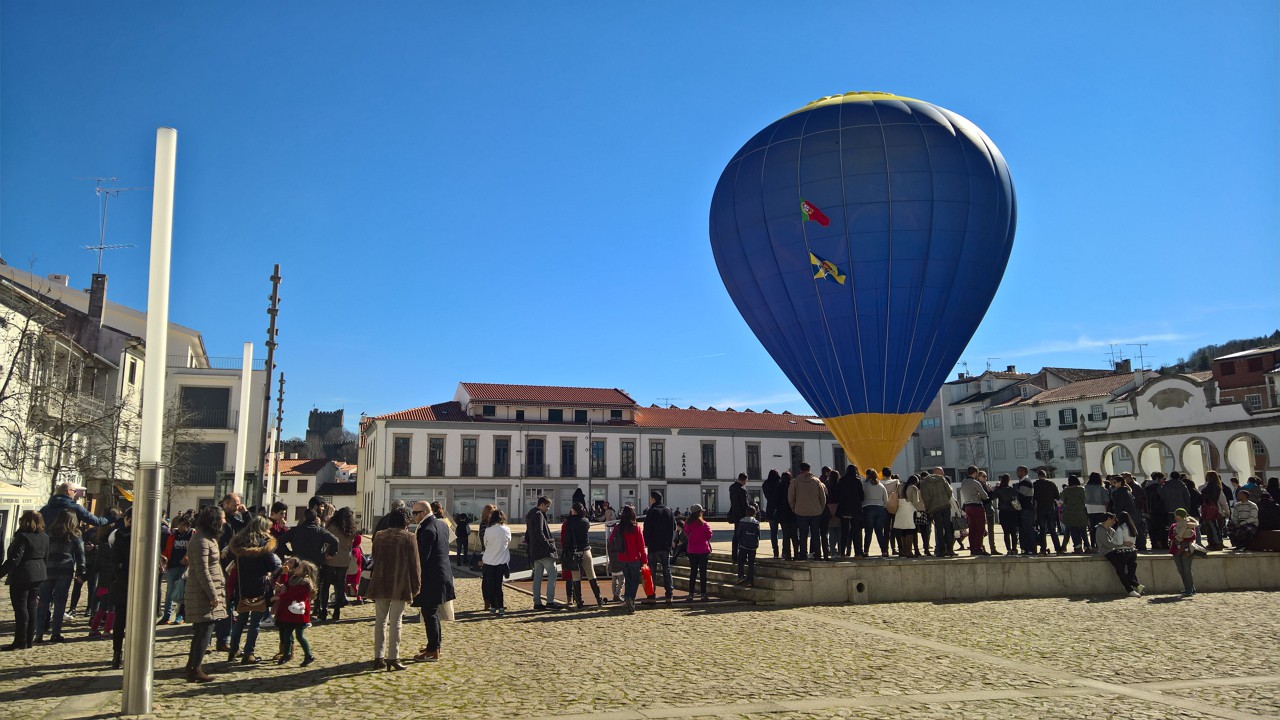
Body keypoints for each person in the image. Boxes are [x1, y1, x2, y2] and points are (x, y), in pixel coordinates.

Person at [369, 507, 420, 671]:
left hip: (381, 581)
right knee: (396, 621)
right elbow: (415, 564)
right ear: (406, 521)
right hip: (399, 582)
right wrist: (416, 586)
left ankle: (378, 657)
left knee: (380, 621)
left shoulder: (379, 536)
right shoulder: (409, 537)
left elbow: (375, 558)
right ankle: (393, 656)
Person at [227, 516, 280, 665]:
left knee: (241, 620)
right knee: (255, 623)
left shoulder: (239, 543)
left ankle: (233, 649)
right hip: (259, 586)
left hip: (241, 585)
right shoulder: (264, 546)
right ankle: (248, 653)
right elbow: (271, 566)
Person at [185, 506, 228, 682]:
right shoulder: (201, 540)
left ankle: (193, 666)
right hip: (202, 594)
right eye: (223, 518)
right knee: (204, 630)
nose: (224, 521)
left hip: (207, 592)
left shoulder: (208, 539)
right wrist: (212, 595)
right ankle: (195, 668)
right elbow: (202, 571)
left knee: (203, 630)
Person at [411, 500, 454, 662]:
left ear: (423, 513)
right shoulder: (441, 524)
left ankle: (432, 651)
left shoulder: (427, 529)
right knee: (433, 613)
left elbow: (422, 558)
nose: (413, 516)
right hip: (442, 575)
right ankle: (435, 645)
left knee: (429, 613)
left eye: (415, 513)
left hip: (431, 578)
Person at [1, 510, 49, 651]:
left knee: (21, 607)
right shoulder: (44, 537)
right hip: (39, 573)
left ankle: (20, 640)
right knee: (31, 606)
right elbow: (46, 557)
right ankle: (28, 640)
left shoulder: (22, 537)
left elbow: (14, 559)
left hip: (23, 574)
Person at [34, 510, 83, 644]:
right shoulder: (74, 535)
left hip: (48, 569)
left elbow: (42, 552)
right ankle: (55, 633)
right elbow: (80, 555)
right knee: (60, 603)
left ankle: (38, 633)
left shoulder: (48, 533)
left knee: (43, 602)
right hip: (64, 570)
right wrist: (81, 572)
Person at [274, 557, 318, 666]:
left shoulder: (304, 583)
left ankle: (308, 655)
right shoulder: (293, 578)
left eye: (299, 567)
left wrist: (279, 597)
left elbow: (292, 594)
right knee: (287, 634)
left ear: (305, 571)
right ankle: (286, 654)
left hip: (299, 613)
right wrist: (283, 579)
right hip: (290, 612)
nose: (296, 568)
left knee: (299, 635)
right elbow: (287, 585)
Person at [318, 507, 356, 623]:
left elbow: (325, 540)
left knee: (326, 585)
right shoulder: (351, 529)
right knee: (340, 586)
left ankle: (323, 610)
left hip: (331, 558)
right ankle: (337, 611)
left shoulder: (332, 527)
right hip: (344, 560)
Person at [566, 502, 607, 608]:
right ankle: (599, 599)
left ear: (574, 510)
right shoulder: (586, 521)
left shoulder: (569, 522)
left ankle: (579, 601)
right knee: (591, 575)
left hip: (574, 552)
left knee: (576, 577)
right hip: (585, 550)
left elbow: (567, 539)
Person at [608, 505, 648, 612]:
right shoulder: (636, 528)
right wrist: (644, 560)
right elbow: (641, 546)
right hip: (634, 558)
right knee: (635, 580)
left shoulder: (618, 527)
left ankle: (627, 597)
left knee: (628, 578)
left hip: (622, 557)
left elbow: (611, 540)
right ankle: (630, 598)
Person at [524, 496, 561, 610]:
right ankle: (550, 601)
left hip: (535, 551)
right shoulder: (539, 514)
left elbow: (528, 535)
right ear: (542, 505)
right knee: (553, 574)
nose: (548, 509)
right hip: (544, 551)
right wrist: (549, 546)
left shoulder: (530, 515)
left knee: (538, 577)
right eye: (547, 506)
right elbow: (540, 532)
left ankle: (537, 602)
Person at [1095, 513, 1143, 597]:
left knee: (1128, 566)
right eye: (1113, 519)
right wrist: (1124, 544)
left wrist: (1126, 544)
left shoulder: (1111, 529)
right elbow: (1108, 544)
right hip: (1107, 552)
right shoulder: (1100, 530)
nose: (1115, 521)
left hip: (1114, 551)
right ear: (1108, 519)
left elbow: (1116, 541)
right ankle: (1131, 589)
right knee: (1120, 569)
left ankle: (1136, 586)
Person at [108, 508, 133, 669]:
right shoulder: (147, 534)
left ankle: (117, 654)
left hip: (121, 580)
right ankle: (134, 653)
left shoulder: (118, 535)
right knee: (138, 622)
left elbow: (113, 559)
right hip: (139, 582)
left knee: (120, 620)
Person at [642, 490, 676, 604]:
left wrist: (646, 542)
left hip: (653, 546)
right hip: (665, 546)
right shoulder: (668, 510)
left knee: (652, 571)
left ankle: (652, 594)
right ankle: (669, 594)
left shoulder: (652, 512)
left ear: (653, 499)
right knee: (667, 570)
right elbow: (674, 527)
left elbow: (647, 529)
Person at [788, 463, 826, 561]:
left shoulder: (795, 482)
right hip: (816, 512)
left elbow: (791, 497)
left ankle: (803, 554)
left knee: (803, 534)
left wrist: (794, 508)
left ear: (800, 469)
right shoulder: (817, 481)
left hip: (800, 512)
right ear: (810, 469)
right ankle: (817, 554)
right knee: (815, 534)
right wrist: (820, 509)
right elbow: (823, 497)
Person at [159, 513, 192, 625]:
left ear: (188, 525)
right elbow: (168, 549)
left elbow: (193, 550)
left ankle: (179, 615)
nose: (181, 527)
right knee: (169, 592)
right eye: (180, 524)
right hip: (172, 566)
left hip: (185, 567)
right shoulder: (173, 535)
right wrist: (165, 560)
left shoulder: (192, 535)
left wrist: (186, 558)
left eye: (183, 525)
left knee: (182, 592)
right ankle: (166, 615)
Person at [39, 481, 110, 530]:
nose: (75, 493)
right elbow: (97, 521)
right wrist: (113, 518)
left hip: (48, 544)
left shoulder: (45, 509)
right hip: (68, 544)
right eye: (74, 491)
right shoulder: (75, 508)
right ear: (69, 491)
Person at [481, 509, 511, 615]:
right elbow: (508, 542)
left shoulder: (488, 530)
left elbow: (485, 543)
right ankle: (501, 606)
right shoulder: (506, 530)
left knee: (490, 585)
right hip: (502, 560)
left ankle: (493, 606)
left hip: (489, 560)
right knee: (499, 585)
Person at [920, 467, 955, 558]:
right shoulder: (942, 479)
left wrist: (928, 508)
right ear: (938, 473)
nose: (943, 474)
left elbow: (925, 497)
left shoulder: (924, 483)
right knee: (947, 528)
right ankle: (950, 550)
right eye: (942, 473)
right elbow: (949, 491)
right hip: (945, 505)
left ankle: (941, 551)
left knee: (939, 529)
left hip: (934, 508)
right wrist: (945, 499)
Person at [958, 466, 990, 556]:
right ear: (975, 473)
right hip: (977, 507)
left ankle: (972, 549)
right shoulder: (975, 483)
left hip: (968, 507)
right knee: (980, 529)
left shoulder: (963, 483)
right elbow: (985, 496)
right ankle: (978, 548)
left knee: (972, 529)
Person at [683, 504, 712, 601]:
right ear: (699, 512)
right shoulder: (704, 523)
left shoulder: (687, 523)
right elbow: (709, 535)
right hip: (703, 550)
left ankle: (691, 594)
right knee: (703, 573)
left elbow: (686, 533)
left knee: (693, 572)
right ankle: (703, 594)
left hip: (692, 550)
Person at [1169, 508, 1200, 596]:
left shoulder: (1190, 525)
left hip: (1187, 549)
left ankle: (1189, 588)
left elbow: (1192, 537)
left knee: (1187, 570)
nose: (1175, 517)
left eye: (1176, 514)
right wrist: (1177, 537)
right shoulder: (1174, 526)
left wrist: (1182, 538)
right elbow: (1170, 536)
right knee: (1181, 570)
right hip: (1176, 549)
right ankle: (1188, 587)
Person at [836, 465, 864, 559]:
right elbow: (862, 496)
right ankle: (857, 554)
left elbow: (838, 494)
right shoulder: (857, 481)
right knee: (856, 532)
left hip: (844, 509)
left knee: (844, 532)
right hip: (855, 510)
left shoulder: (842, 480)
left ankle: (842, 553)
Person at [1109, 476, 1143, 553]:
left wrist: (1117, 515)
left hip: (1123, 514)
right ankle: (1139, 545)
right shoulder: (1128, 491)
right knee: (1132, 528)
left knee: (1122, 530)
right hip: (1131, 513)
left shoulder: (1118, 493)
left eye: (1115, 482)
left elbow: (1118, 505)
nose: (1113, 484)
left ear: (1120, 482)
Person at [1033, 470, 1064, 555]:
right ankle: (1058, 549)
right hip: (1050, 508)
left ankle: (1043, 549)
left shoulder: (1035, 485)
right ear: (1045, 475)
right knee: (1052, 530)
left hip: (1040, 509)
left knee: (1042, 530)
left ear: (1038, 476)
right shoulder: (1052, 484)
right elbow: (1057, 497)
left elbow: (1034, 498)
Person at [893, 475, 922, 557]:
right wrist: (918, 511)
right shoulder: (913, 488)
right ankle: (909, 551)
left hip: (900, 509)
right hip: (909, 509)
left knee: (902, 531)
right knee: (910, 530)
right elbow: (915, 502)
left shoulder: (901, 486)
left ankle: (904, 551)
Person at [1199, 472, 1229, 550]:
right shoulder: (1217, 487)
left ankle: (1212, 544)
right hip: (1216, 510)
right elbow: (1223, 501)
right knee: (1216, 528)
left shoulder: (1203, 488)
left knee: (1210, 528)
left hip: (1206, 510)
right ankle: (1218, 543)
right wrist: (1227, 511)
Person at [993, 474, 1021, 555]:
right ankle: (1014, 549)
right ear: (1009, 480)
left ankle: (1008, 549)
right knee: (1013, 532)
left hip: (1003, 512)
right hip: (1012, 512)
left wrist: (996, 488)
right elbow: (1016, 499)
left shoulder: (999, 489)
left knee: (1006, 532)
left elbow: (993, 497)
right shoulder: (1012, 490)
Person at [1061, 475, 1090, 553]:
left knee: (1073, 530)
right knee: (1083, 530)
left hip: (1069, 512)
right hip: (1080, 512)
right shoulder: (1081, 489)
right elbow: (1085, 500)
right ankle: (1087, 546)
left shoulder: (1066, 490)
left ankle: (1077, 546)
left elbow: (1064, 501)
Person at [734, 503, 762, 584]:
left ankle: (740, 576)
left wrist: (739, 541)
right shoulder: (756, 523)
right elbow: (759, 534)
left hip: (743, 545)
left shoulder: (742, 521)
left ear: (746, 512)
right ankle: (749, 580)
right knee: (751, 563)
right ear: (754, 513)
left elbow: (738, 534)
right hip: (753, 546)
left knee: (740, 560)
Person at [727, 473, 750, 564]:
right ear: (744, 480)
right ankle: (742, 557)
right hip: (742, 516)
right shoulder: (742, 491)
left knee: (736, 536)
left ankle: (734, 557)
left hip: (734, 515)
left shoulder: (732, 487)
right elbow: (745, 505)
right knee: (742, 537)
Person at [761, 469, 783, 558]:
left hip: (770, 510)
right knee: (785, 532)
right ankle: (785, 550)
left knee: (773, 533)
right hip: (780, 510)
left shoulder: (765, 485)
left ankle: (775, 552)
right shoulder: (780, 484)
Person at [1084, 473, 1109, 548]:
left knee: (1092, 528)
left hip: (1089, 509)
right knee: (1100, 527)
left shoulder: (1085, 487)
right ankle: (1099, 543)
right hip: (1100, 508)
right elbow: (1106, 499)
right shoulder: (1101, 488)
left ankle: (1092, 544)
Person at [776, 471, 798, 560]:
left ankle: (787, 555)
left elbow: (775, 501)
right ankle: (796, 554)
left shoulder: (779, 487)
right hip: (793, 513)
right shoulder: (793, 485)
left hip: (783, 514)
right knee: (794, 535)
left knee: (786, 536)